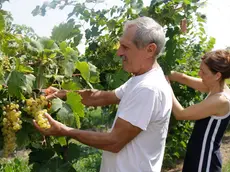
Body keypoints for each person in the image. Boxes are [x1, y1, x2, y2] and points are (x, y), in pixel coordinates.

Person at [34, 16, 172, 172]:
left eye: (125, 47)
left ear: (150, 49)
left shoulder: (148, 88)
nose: (119, 52)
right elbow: (103, 96)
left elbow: (114, 142)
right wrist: (62, 94)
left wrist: (63, 130)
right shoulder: (140, 79)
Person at [168, 50, 230, 172]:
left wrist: (166, 86)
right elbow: (184, 78)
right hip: (198, 154)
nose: (199, 73)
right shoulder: (215, 86)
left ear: (217, 75)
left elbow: (181, 114)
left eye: (203, 72)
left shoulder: (221, 100)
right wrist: (160, 71)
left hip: (204, 160)